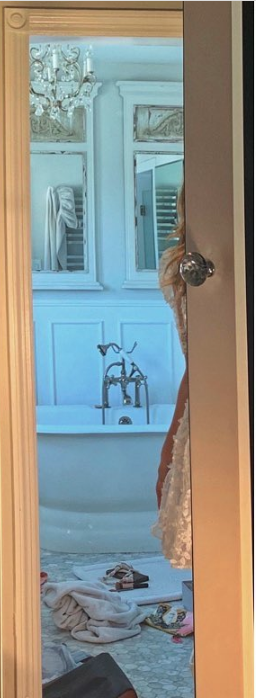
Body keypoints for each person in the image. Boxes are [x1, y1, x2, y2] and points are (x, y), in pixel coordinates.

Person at [151, 181, 191, 572]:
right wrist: (170, 451)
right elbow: (197, 367)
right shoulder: (183, 268)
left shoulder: (181, 267)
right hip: (212, 413)